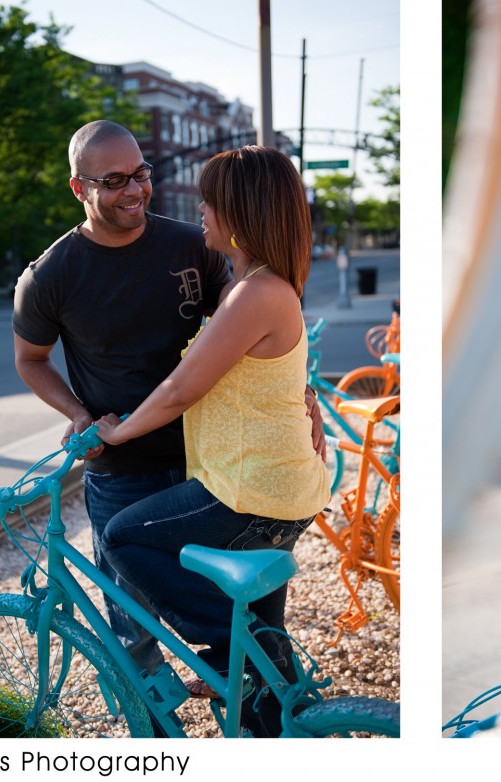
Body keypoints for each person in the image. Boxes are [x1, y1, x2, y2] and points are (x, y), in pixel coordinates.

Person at [12, 121, 321, 681]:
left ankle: (259, 694)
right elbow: (31, 361)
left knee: (245, 613)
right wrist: (81, 415)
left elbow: (249, 333)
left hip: (213, 468)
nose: (135, 189)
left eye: (141, 173)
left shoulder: (192, 245)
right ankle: (160, 739)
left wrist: (300, 389)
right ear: (79, 188)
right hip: (123, 469)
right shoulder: (49, 276)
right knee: (136, 629)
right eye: (114, 181)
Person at [94, 145, 330, 737]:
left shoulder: (256, 294)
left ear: (240, 210)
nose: (200, 208)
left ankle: (239, 661)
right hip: (278, 485)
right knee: (265, 663)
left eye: (210, 198)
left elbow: (180, 390)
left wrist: (116, 431)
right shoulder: (259, 288)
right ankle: (277, 719)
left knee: (123, 536)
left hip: (249, 489)